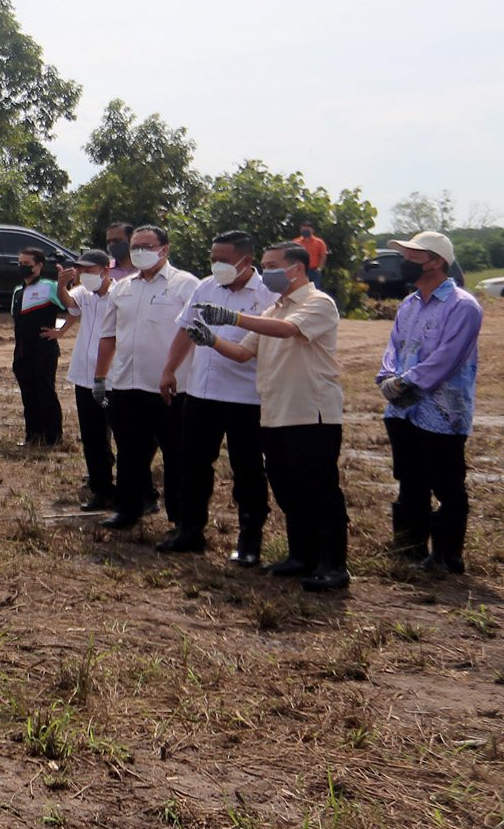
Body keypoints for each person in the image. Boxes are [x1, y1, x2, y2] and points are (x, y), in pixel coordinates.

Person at [194, 241, 348, 591]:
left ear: (298, 268)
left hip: (311, 411)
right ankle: (301, 555)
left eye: (273, 265)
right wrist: (210, 339)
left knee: (319, 489)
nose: (268, 273)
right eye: (265, 265)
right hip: (275, 412)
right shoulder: (273, 310)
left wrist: (232, 316)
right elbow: (243, 352)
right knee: (286, 486)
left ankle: (333, 564)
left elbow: (289, 331)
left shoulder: (317, 303)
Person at [155, 231, 275, 562]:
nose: (216, 264)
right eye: (213, 258)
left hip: (246, 396)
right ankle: (189, 531)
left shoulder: (267, 295)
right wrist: (169, 370)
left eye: (223, 259)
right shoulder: (206, 286)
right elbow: (185, 330)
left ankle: (250, 542)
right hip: (202, 392)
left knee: (248, 470)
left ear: (246, 260)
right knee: (192, 464)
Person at [375, 231, 481, 574]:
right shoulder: (408, 304)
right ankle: (410, 546)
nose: (405, 263)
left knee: (447, 483)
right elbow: (395, 346)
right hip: (402, 408)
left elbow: (449, 357)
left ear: (436, 261)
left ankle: (447, 557)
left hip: (442, 412)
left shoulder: (463, 306)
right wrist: (387, 375)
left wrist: (406, 381)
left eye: (412, 256)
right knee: (409, 478)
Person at [94, 224, 197, 530]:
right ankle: (129, 509)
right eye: (134, 246)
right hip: (127, 384)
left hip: (170, 387)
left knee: (176, 455)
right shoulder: (122, 288)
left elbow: (192, 332)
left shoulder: (185, 285)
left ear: (164, 250)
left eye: (145, 247)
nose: (138, 252)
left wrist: (171, 371)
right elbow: (109, 335)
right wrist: (101, 377)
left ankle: (180, 519)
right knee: (129, 452)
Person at [61, 249, 118, 508]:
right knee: (92, 435)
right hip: (83, 375)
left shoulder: (120, 295)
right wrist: (62, 286)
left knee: (124, 435)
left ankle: (135, 491)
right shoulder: (84, 294)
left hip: (113, 377)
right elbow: (70, 306)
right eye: (80, 271)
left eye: (89, 270)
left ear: (105, 271)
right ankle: (101, 488)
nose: (84, 275)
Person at [10, 246, 65, 447]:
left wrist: (60, 331)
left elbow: (73, 308)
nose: (23, 267)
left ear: (39, 266)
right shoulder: (17, 291)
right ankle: (33, 435)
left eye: (28, 264)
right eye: (20, 264)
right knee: (29, 394)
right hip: (22, 352)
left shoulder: (50, 287)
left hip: (44, 351)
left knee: (45, 392)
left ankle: (53, 437)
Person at [295, 219, 329, 290]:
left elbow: (323, 256)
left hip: (314, 271)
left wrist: (319, 269)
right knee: (299, 291)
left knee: (314, 292)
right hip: (300, 271)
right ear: (301, 229)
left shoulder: (319, 242)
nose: (306, 230)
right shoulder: (296, 242)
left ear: (312, 230)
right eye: (304, 227)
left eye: (308, 228)